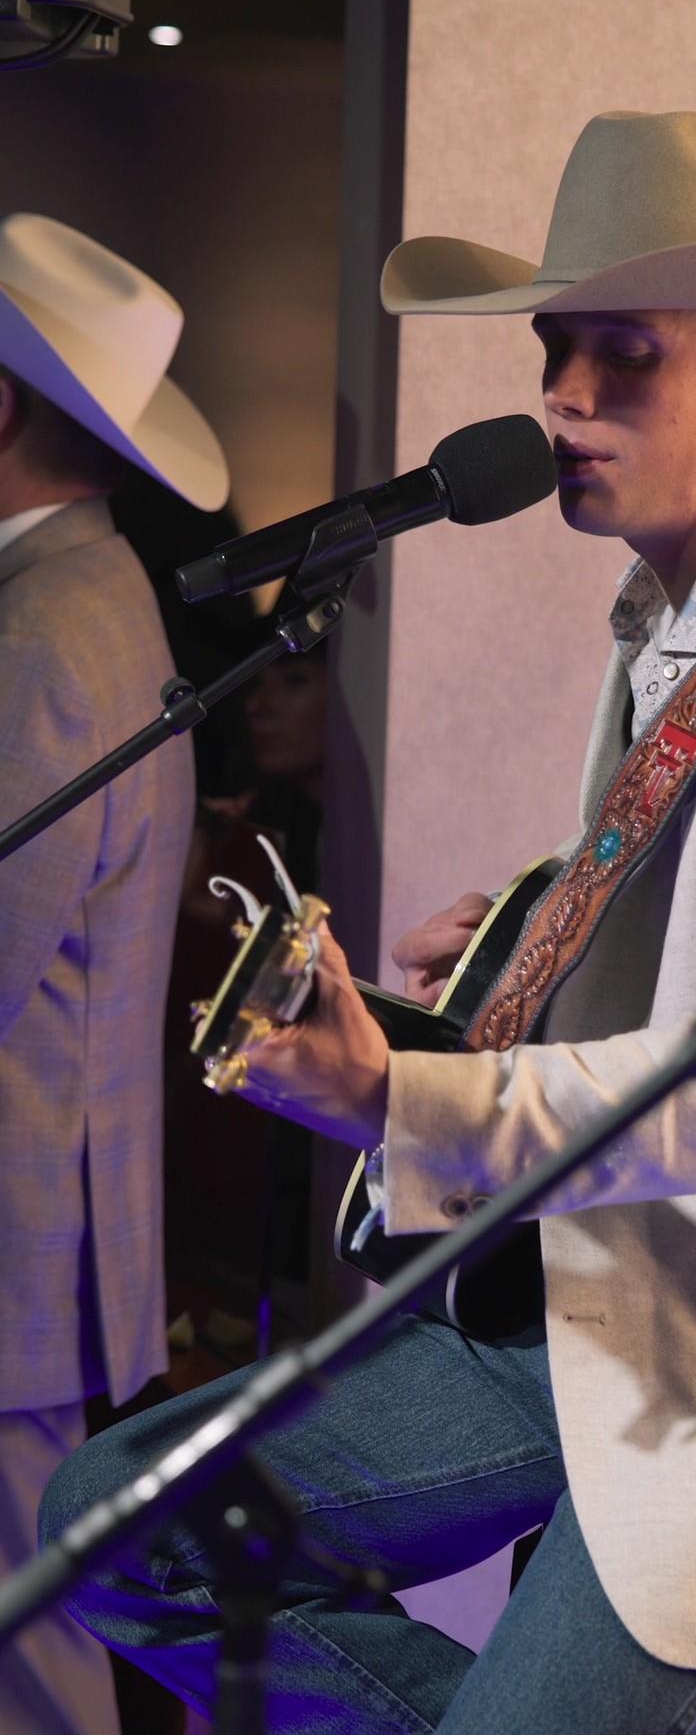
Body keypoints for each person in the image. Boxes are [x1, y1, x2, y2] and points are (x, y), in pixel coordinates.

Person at [42, 112, 696, 1735]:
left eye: (627, 355)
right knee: (126, 1527)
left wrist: (397, 1096)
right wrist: (512, 960)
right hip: (634, 1301)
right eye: (555, 352)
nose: (565, 398)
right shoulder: (689, 612)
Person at [0, 212, 228, 1735]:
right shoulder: (96, 591)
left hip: (17, 1223)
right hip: (50, 1217)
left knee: (32, 1667)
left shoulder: (42, 626)